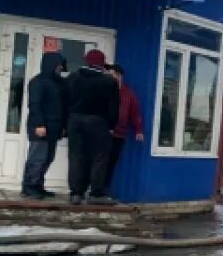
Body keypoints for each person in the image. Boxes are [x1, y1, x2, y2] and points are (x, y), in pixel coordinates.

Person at [66, 49, 120, 206]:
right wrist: (111, 125)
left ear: (86, 61)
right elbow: (113, 107)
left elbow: (65, 101)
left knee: (76, 155)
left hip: (74, 120)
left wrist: (66, 123)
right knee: (100, 157)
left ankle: (76, 193)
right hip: (98, 122)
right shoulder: (109, 81)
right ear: (102, 63)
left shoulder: (72, 77)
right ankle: (96, 193)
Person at [20, 52, 67, 200]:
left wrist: (63, 126)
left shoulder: (59, 83)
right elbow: (35, 105)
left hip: (54, 128)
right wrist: (39, 124)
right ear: (51, 65)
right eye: (58, 66)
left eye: (61, 67)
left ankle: (38, 185)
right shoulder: (37, 82)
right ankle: (29, 186)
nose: (60, 69)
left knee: (48, 158)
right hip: (40, 127)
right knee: (37, 158)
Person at [105, 64, 144, 190]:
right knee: (98, 162)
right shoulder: (103, 90)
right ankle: (91, 189)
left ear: (119, 76)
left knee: (111, 163)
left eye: (110, 75)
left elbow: (135, 113)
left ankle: (103, 190)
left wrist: (138, 130)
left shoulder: (129, 94)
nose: (108, 78)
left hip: (118, 135)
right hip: (102, 133)